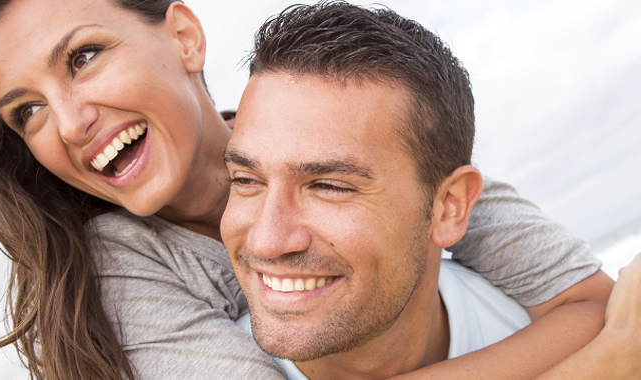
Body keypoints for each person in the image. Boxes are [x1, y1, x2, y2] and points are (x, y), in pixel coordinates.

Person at [0, 0, 614, 378]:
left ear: (183, 36)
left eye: (83, 57)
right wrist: (604, 362)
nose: (70, 123)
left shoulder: (341, 123)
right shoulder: (123, 266)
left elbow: (585, 300)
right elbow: (606, 332)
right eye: (27, 111)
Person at [221, 2, 633, 379]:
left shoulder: (560, 329)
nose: (268, 239)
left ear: (450, 207)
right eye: (245, 180)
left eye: (329, 186)